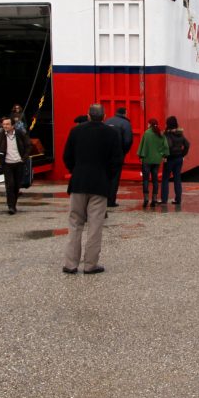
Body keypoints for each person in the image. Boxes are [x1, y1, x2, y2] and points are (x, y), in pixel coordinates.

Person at [62, 104, 122, 274]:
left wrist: (76, 171)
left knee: (75, 223)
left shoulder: (76, 131)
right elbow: (116, 161)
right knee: (95, 225)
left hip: (79, 183)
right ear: (104, 117)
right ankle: (90, 265)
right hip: (100, 185)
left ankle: (70, 264)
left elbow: (67, 156)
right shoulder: (112, 134)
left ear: (88, 115)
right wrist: (107, 177)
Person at [0, 116, 30, 215]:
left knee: (16, 186)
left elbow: (28, 145)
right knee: (10, 185)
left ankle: (13, 203)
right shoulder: (0, 135)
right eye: (4, 124)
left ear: (13, 126)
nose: (5, 126)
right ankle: (11, 206)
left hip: (19, 163)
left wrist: (24, 158)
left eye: (7, 124)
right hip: (7, 164)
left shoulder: (20, 134)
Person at [104, 106, 133, 207]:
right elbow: (128, 140)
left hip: (104, 155)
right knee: (115, 178)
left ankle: (103, 200)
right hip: (117, 155)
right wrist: (123, 152)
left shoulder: (107, 121)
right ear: (125, 113)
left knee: (105, 177)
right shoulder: (126, 123)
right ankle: (111, 201)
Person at [137, 118, 168, 207]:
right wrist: (162, 155)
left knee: (146, 179)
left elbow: (143, 146)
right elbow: (165, 146)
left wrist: (141, 156)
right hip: (157, 160)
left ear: (149, 124)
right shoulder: (160, 134)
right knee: (155, 180)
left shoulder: (147, 133)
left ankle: (146, 198)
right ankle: (154, 199)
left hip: (147, 159)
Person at [160, 116, 190, 205]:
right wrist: (183, 154)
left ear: (168, 124)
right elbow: (187, 144)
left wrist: (164, 156)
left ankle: (164, 200)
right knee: (177, 178)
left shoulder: (167, 134)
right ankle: (178, 199)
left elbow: (168, 146)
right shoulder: (180, 134)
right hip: (179, 159)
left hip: (169, 159)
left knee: (165, 179)